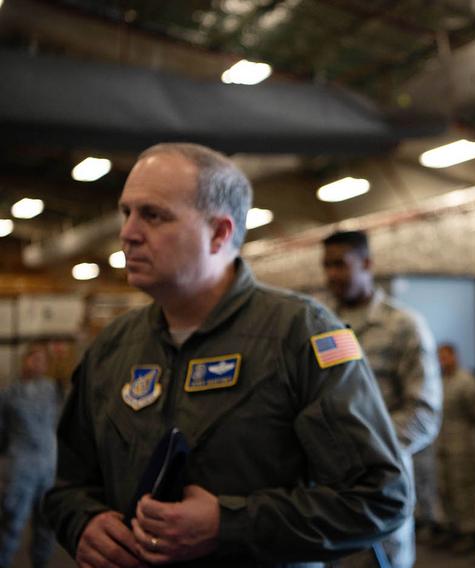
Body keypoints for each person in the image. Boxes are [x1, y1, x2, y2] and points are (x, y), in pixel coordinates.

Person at [42, 143, 410, 568]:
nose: (128, 232)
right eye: (127, 212)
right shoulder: (112, 347)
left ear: (219, 233)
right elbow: (67, 486)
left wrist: (227, 524)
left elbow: (379, 498)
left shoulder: (300, 334)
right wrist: (83, 523)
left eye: (153, 215)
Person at [322, 230, 442, 568]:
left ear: (367, 264)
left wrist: (365, 449)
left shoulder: (402, 325)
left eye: (340, 265)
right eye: (327, 266)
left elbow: (423, 413)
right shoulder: (319, 325)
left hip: (381, 486)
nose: (332, 274)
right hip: (325, 491)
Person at [0, 343, 61, 568]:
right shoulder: (9, 394)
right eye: (33, 358)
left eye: (42, 360)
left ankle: (41, 562)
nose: (37, 364)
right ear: (24, 361)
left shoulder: (52, 390)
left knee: (46, 524)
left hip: (49, 466)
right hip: (21, 467)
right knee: (12, 522)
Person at [434, 343, 475, 552]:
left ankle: (469, 533)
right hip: (442, 444)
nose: (443, 361)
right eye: (440, 357)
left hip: (462, 444)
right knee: (445, 489)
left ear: (455, 356)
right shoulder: (438, 382)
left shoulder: (467, 381)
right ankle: (452, 528)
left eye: (446, 357)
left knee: (463, 490)